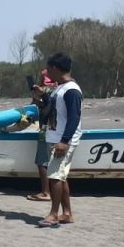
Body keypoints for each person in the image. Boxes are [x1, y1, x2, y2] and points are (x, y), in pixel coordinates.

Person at [40, 53, 82, 226]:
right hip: (56, 137)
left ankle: (53, 214)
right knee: (60, 176)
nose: (46, 71)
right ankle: (67, 213)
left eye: (48, 68)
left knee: (55, 177)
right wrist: (42, 97)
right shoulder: (60, 87)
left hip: (63, 140)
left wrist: (64, 141)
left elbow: (74, 118)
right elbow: (53, 109)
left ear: (55, 68)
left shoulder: (71, 90)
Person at [26, 68, 56, 202]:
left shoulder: (44, 90)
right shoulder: (60, 89)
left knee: (42, 162)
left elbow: (34, 108)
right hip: (59, 130)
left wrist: (35, 97)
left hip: (46, 129)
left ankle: (45, 192)